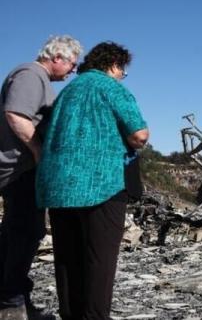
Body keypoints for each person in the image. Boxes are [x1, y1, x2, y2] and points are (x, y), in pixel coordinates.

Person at [36, 42, 149, 320]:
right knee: (99, 259)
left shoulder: (67, 93)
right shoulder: (111, 87)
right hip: (102, 183)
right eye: (122, 70)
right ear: (113, 65)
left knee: (67, 258)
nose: (122, 75)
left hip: (60, 186)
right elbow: (139, 134)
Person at [0, 35, 83, 320]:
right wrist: (39, 153)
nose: (73, 70)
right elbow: (16, 115)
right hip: (18, 169)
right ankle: (11, 302)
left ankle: (15, 296)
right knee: (26, 233)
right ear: (57, 57)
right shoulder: (30, 74)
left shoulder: (38, 78)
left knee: (17, 233)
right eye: (72, 63)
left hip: (21, 169)